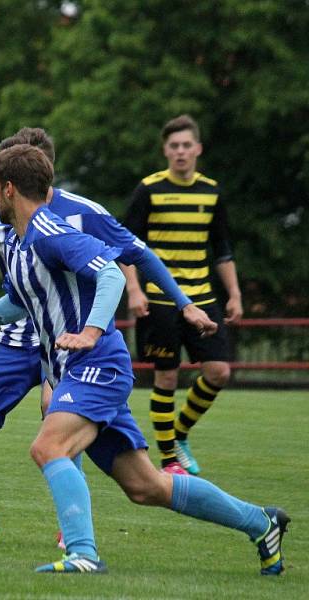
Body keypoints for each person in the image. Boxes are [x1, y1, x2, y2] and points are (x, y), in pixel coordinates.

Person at [0, 143, 289, 575]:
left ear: (7, 189)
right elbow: (22, 301)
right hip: (82, 369)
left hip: (96, 364)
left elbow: (112, 273)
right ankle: (261, 522)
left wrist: (91, 331)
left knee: (48, 446)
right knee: (145, 485)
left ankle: (83, 553)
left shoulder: (51, 231)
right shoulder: (23, 241)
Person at [0, 128, 216, 544]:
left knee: (57, 416)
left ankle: (74, 537)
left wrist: (183, 303)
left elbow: (135, 256)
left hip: (73, 344)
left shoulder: (80, 215)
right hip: (19, 337)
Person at [123, 115, 243, 475]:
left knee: (219, 371)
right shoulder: (149, 189)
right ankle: (169, 461)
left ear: (197, 149)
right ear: (165, 150)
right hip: (160, 300)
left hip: (203, 297)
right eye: (173, 146)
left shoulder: (211, 192)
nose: (180, 151)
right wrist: (134, 290)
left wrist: (234, 293)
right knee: (167, 377)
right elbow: (125, 245)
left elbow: (222, 249)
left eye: (186, 145)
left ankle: (179, 432)